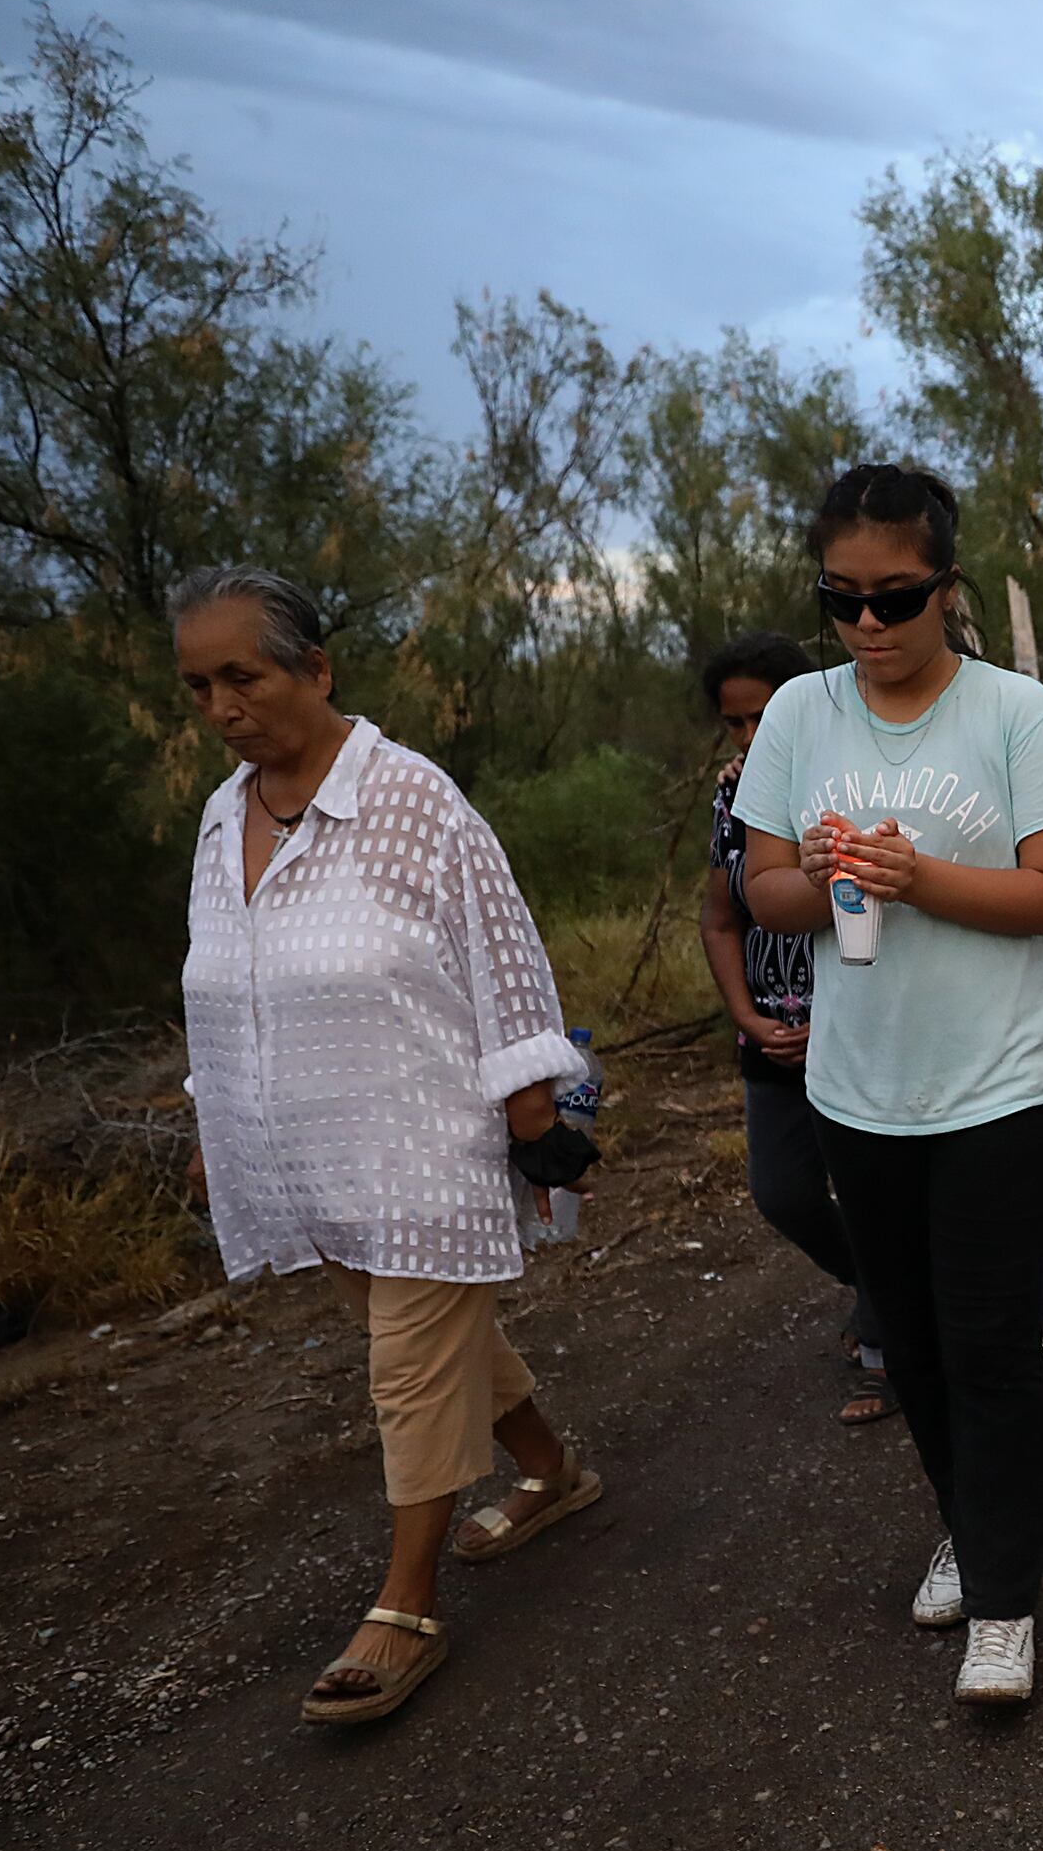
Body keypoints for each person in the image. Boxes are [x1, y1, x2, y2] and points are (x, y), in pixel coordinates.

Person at [174, 566, 603, 1726]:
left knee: (408, 1365)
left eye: (244, 676)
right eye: (200, 684)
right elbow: (222, 984)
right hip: (311, 1150)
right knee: (431, 1327)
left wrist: (533, 1119)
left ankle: (404, 1604)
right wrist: (214, 1115)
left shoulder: (414, 798)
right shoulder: (226, 813)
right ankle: (554, 1469)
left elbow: (501, 954)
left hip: (424, 1135)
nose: (222, 706)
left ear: (316, 669)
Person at [733, 462, 1043, 1707]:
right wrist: (829, 875)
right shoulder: (798, 714)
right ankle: (971, 1523)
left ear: (948, 586)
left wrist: (915, 874)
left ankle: (1005, 1599)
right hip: (858, 1089)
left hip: (1001, 1086)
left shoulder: (1017, 715)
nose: (870, 626)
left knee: (991, 1341)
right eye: (843, 601)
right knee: (920, 1349)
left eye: (896, 598)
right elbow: (763, 888)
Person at [700, 631, 893, 1426]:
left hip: (856, 1026)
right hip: (772, 1040)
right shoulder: (733, 799)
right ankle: (894, 1291)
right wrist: (745, 1014)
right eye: (733, 723)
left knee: (878, 1190)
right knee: (782, 1193)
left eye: (762, 716)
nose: (748, 738)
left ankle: (888, 1355)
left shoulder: (849, 778)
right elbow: (720, 917)